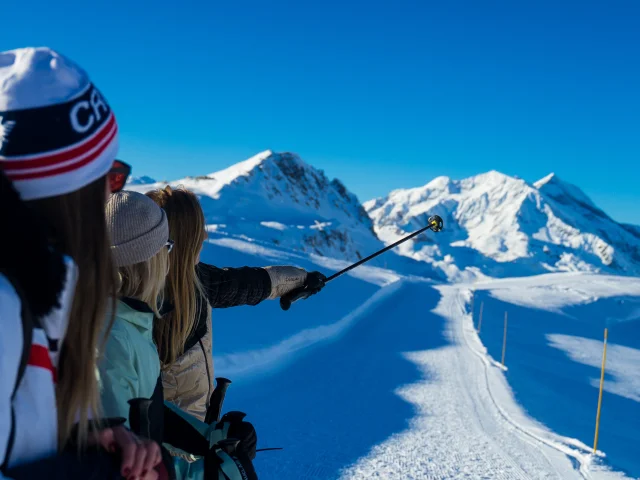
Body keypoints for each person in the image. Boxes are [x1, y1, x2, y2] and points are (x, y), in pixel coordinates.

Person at [0, 47, 160, 479]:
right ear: (67, 196)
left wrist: (79, 434)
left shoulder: (36, 287)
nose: (111, 195)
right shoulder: (4, 304)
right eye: (109, 179)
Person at [101, 191, 258, 479]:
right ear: (149, 258)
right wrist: (209, 473)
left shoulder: (131, 321)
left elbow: (148, 413)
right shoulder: (113, 341)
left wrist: (209, 437)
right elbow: (119, 463)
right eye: (167, 246)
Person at [146, 186, 326, 421]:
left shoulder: (194, 280)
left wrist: (298, 279)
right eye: (198, 229)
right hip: (165, 447)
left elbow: (243, 284)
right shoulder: (142, 302)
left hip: (191, 437)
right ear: (184, 236)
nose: (205, 237)